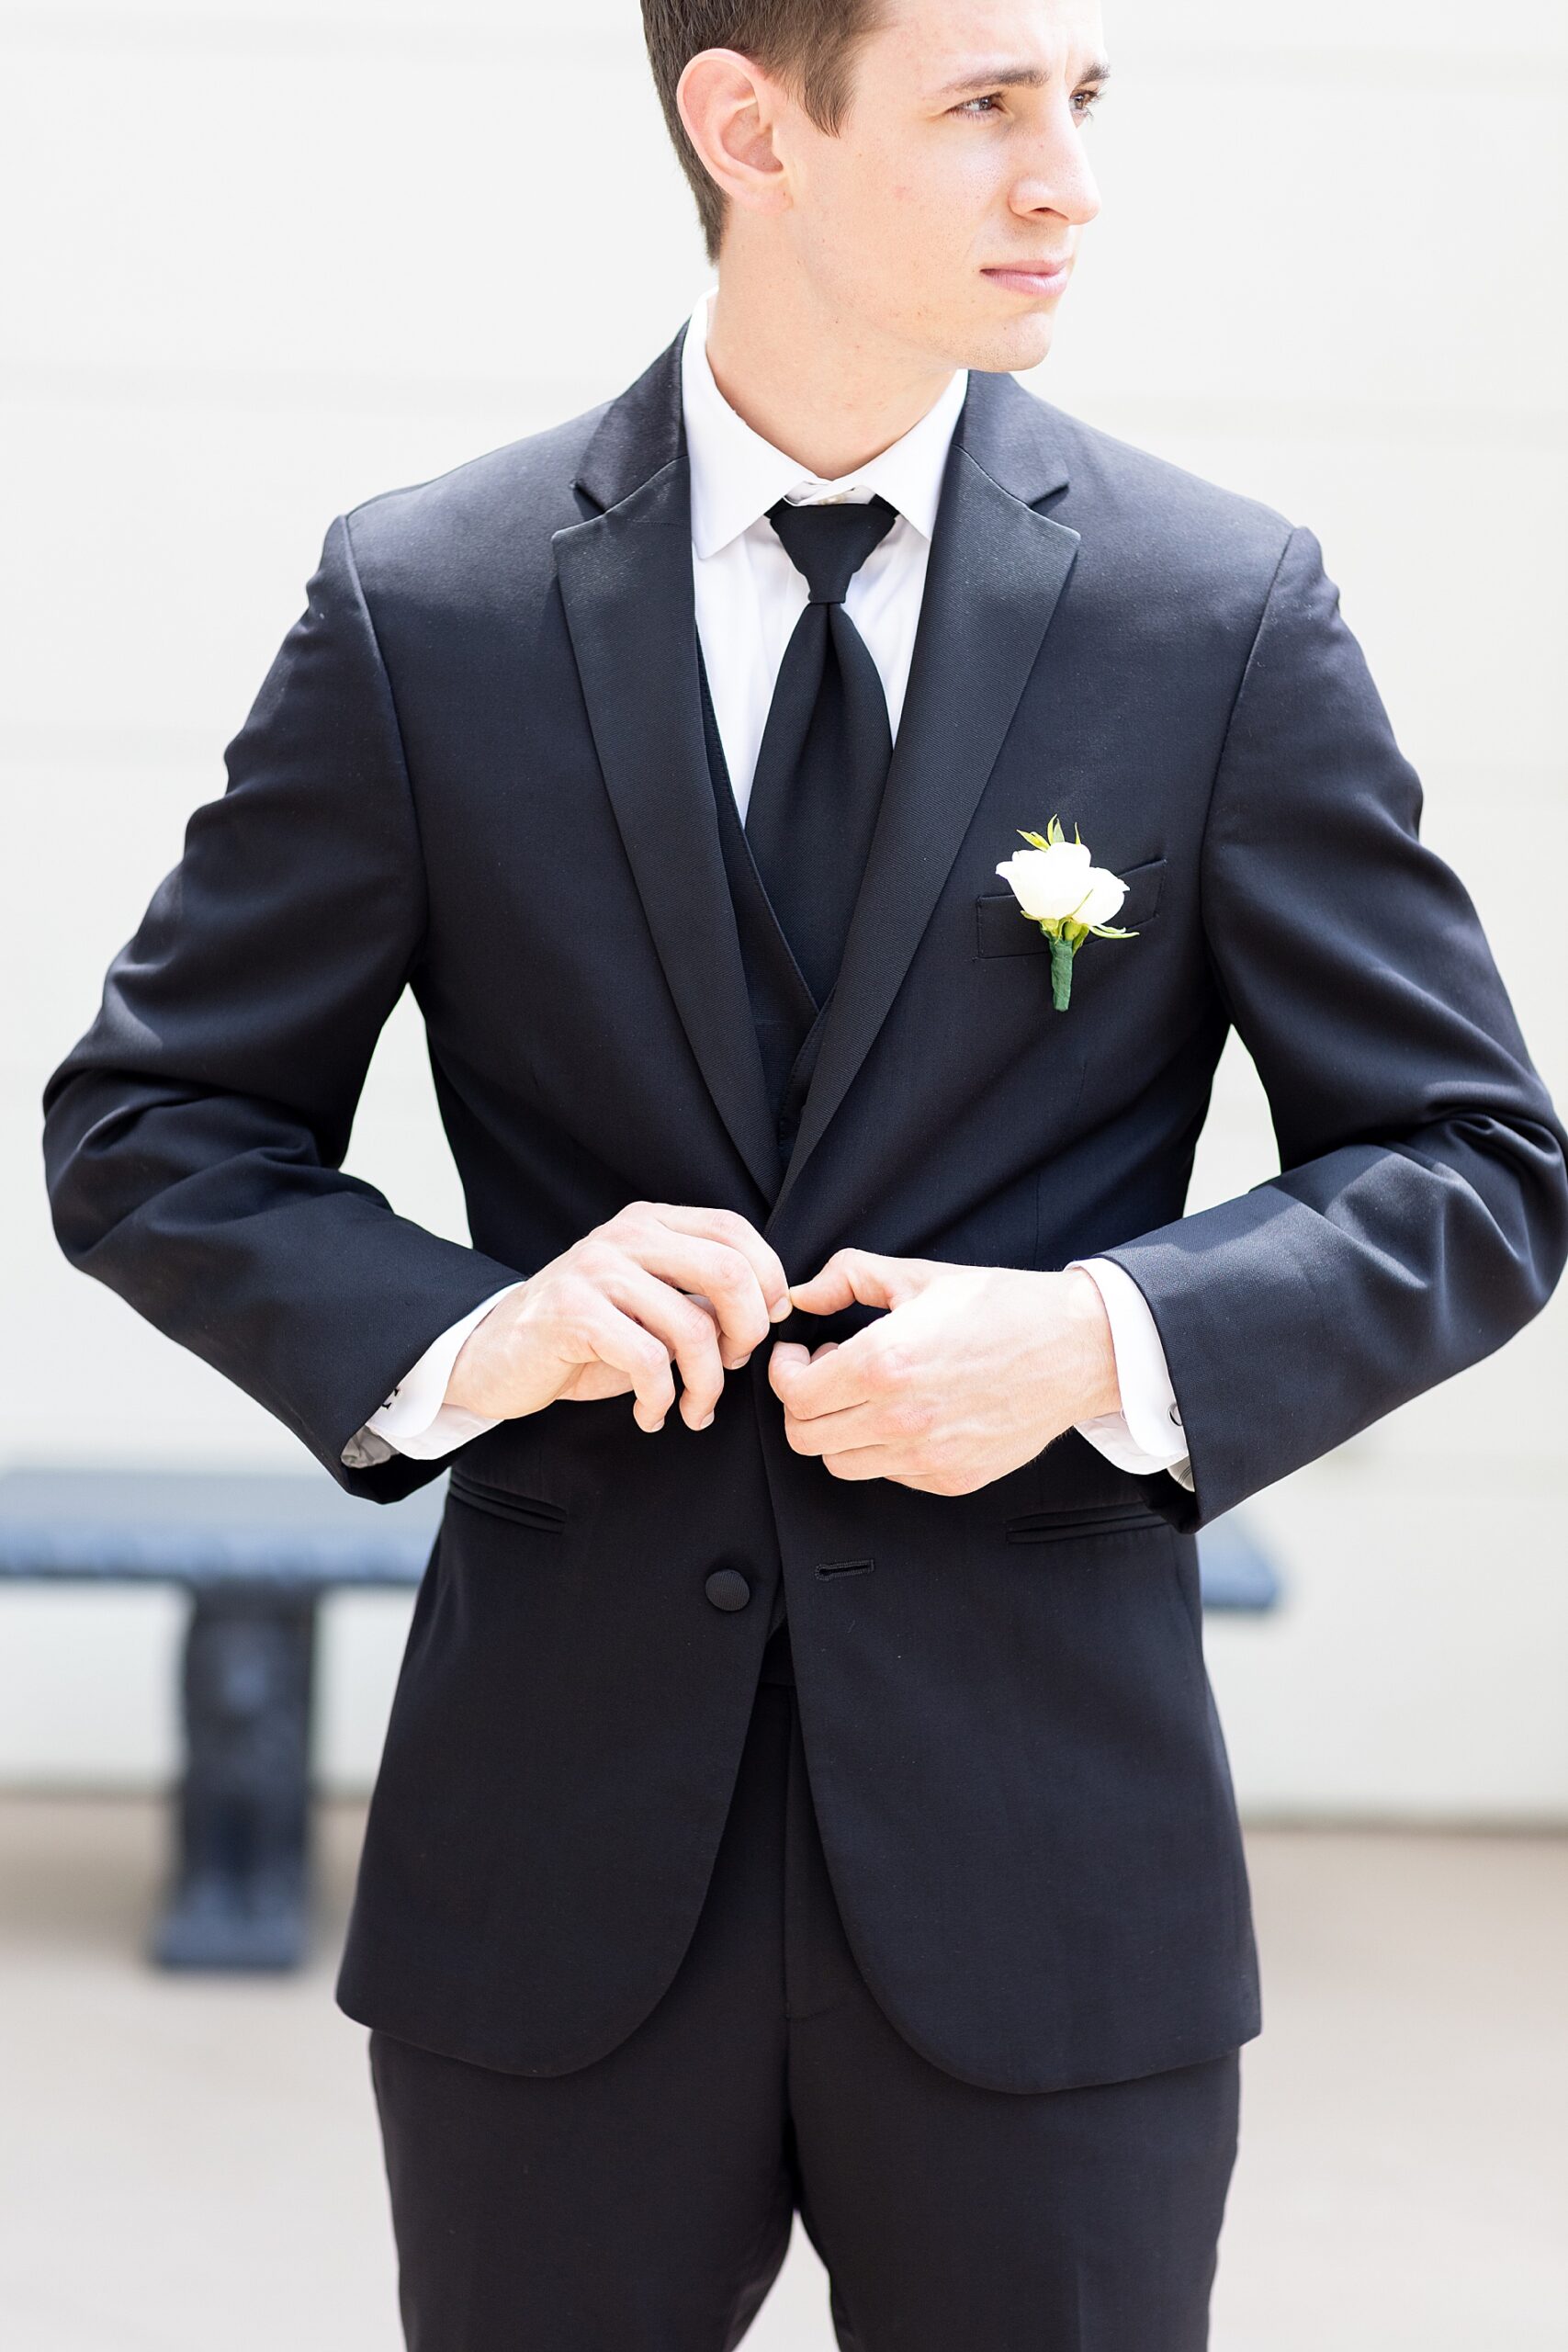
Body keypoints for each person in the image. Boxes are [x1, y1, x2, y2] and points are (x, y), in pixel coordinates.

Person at [42, 0, 1567, 2344]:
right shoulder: (425, 607)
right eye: (982, 106)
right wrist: (486, 1325)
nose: (1065, 179)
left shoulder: (1215, 613)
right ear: (745, 122)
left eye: (1082, 103)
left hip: (1049, 1879)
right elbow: (149, 1124)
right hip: (549, 1874)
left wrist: (1093, 1336)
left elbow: (1470, 1162)